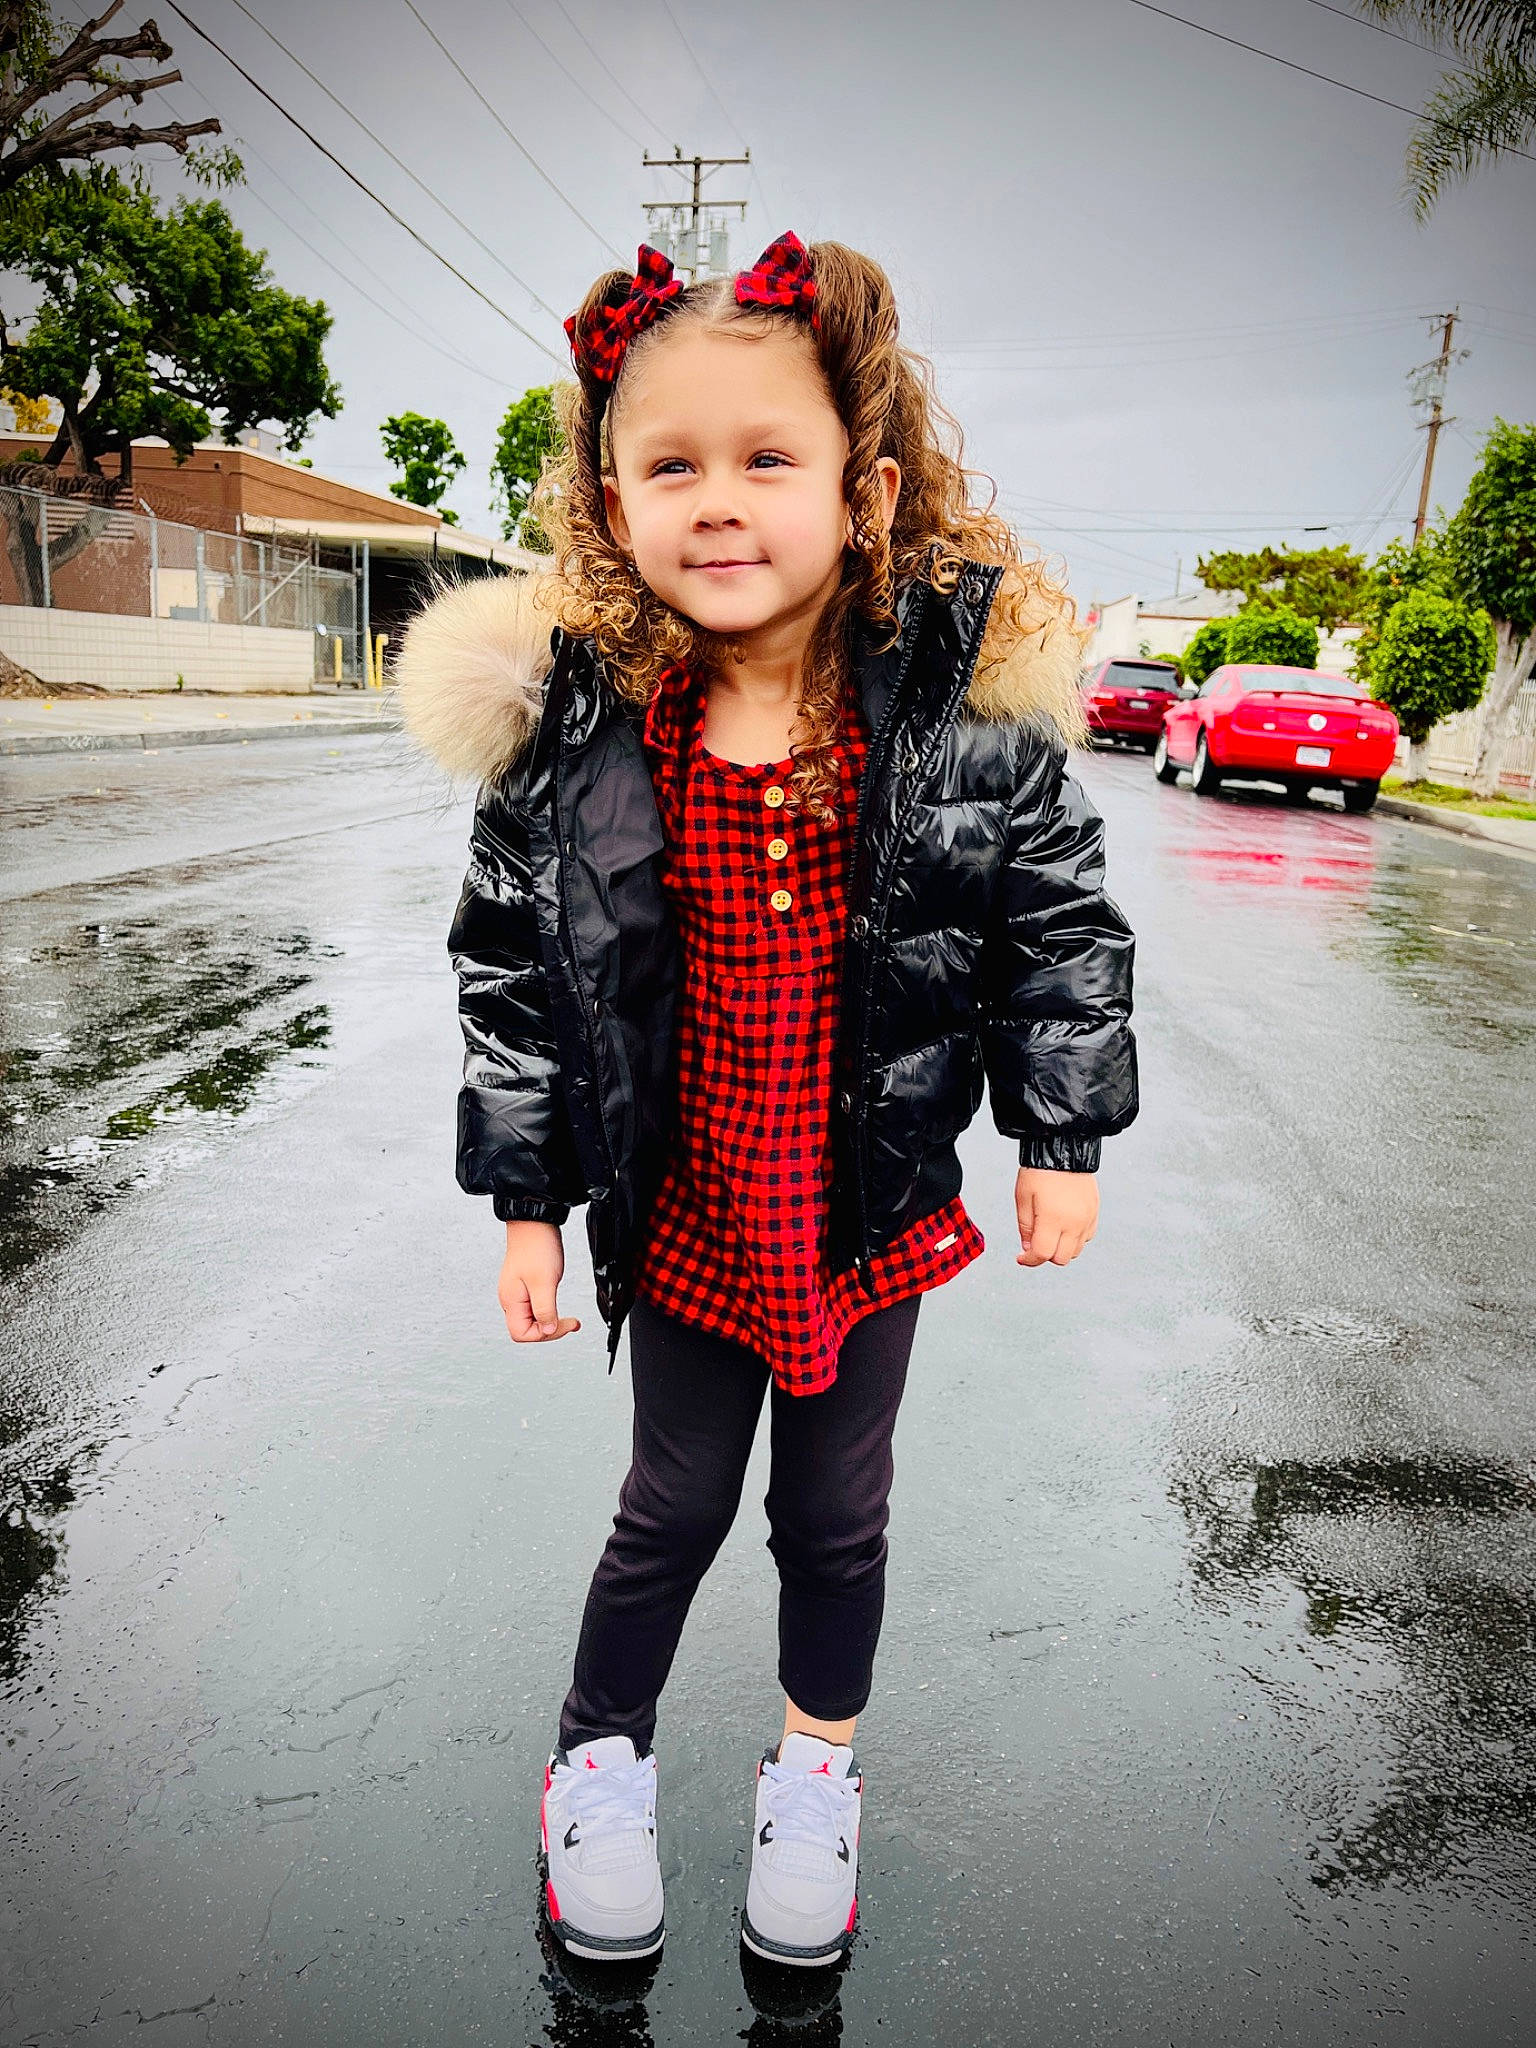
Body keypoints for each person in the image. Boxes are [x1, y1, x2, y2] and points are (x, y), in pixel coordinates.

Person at [398, 232, 1138, 1970]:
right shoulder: (580, 734)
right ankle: (598, 1760)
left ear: (862, 489)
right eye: (671, 465)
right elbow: (514, 980)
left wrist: (1062, 1133)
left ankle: (817, 1773)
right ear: (609, 501)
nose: (718, 503)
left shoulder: (960, 727)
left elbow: (1061, 930)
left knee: (838, 1510)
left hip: (864, 1209)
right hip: (687, 1210)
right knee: (671, 1502)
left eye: (766, 460)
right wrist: (528, 1202)